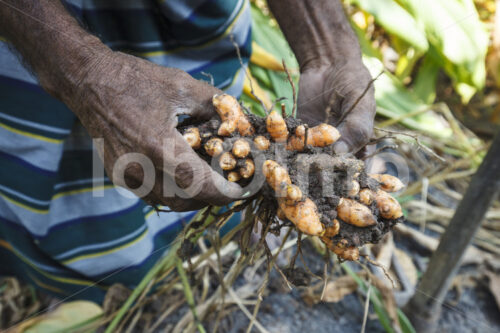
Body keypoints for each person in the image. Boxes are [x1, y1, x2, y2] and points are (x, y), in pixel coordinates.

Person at [0, 0, 375, 302]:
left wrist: (326, 50)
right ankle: (79, 291)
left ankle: (167, 268)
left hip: (193, 18)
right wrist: (83, 73)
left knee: (198, 167)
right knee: (71, 201)